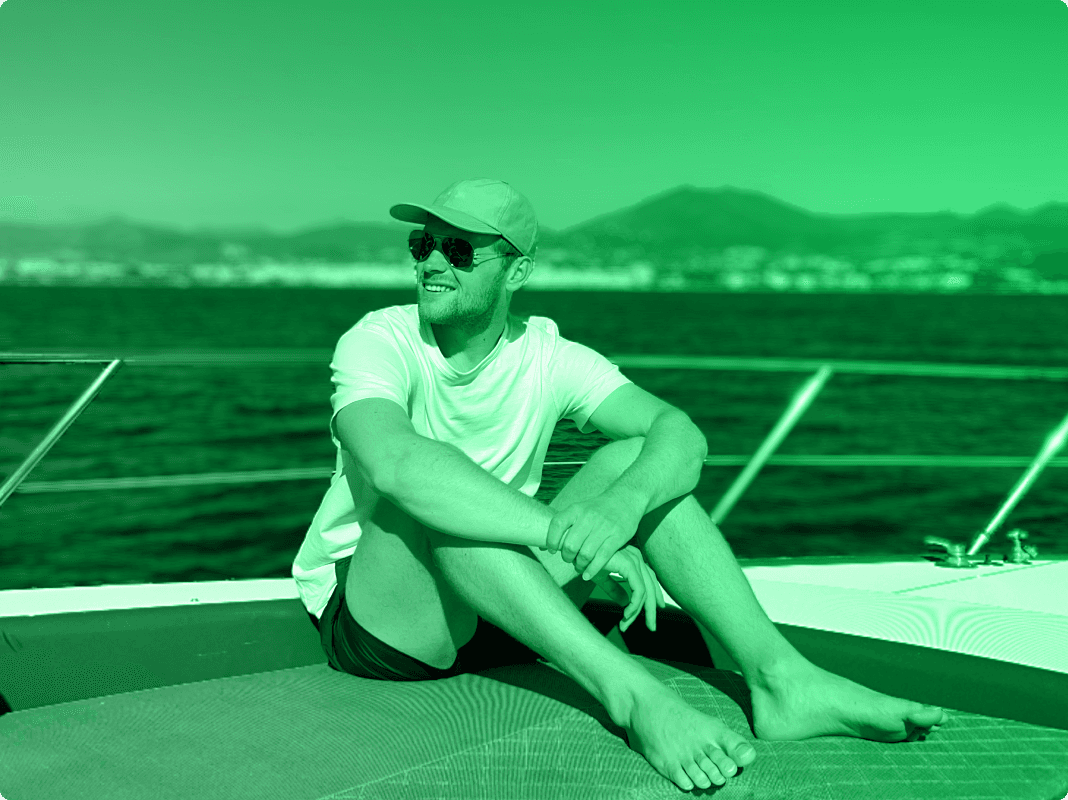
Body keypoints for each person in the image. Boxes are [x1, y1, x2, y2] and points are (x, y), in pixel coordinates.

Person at [290, 178, 947, 793]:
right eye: (423, 244)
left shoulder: (549, 355)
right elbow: (397, 465)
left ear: (517, 271)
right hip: (389, 614)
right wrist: (568, 534)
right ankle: (636, 700)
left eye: (459, 250)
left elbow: (680, 434)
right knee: (439, 501)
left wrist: (620, 509)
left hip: (501, 596)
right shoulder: (380, 340)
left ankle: (781, 680)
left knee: (639, 458)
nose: (433, 262)